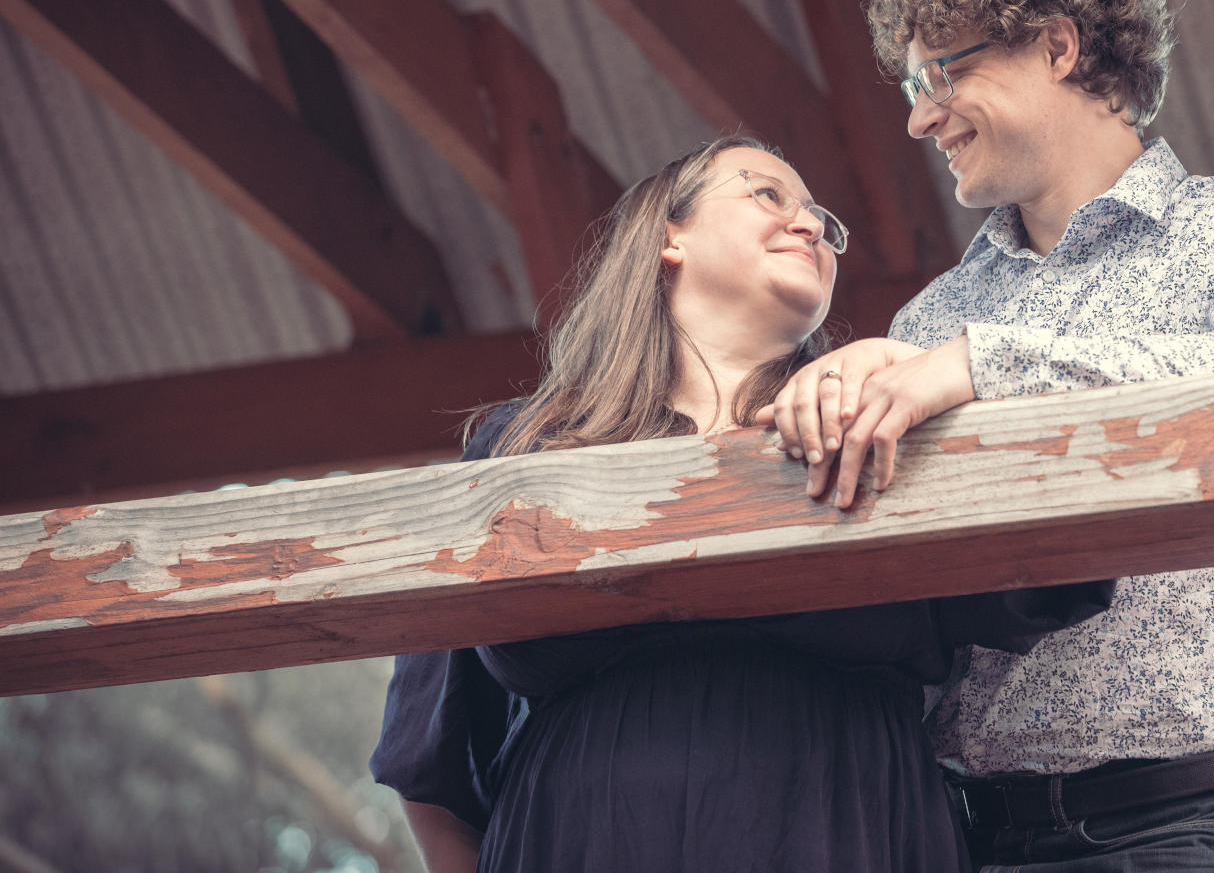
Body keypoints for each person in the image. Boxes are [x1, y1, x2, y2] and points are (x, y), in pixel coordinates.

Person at [761, 0, 1214, 872]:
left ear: (1059, 47)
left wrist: (984, 365)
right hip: (957, 836)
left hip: (1175, 825)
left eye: (939, 74)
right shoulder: (928, 320)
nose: (918, 119)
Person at [370, 135, 1113, 873]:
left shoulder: (889, 426)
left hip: (852, 831)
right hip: (575, 837)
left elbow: (1063, 553)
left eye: (824, 219)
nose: (812, 224)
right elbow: (427, 761)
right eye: (768, 194)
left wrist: (932, 375)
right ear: (670, 236)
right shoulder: (523, 443)